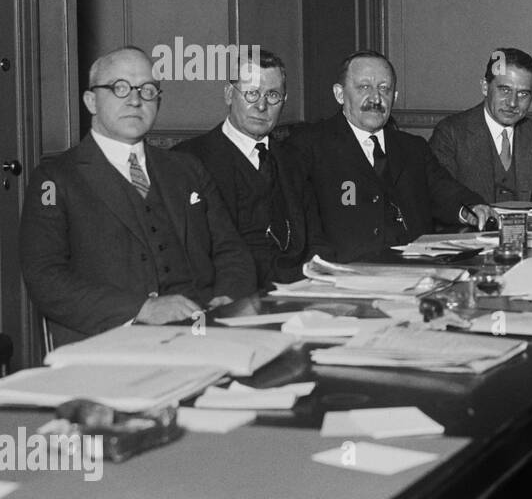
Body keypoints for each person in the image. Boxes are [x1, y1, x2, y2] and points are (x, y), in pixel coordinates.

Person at [20, 46, 256, 345]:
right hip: (110, 341)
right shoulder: (54, 180)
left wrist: (228, 298)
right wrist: (143, 309)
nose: (134, 100)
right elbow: (45, 278)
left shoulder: (187, 169)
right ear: (91, 101)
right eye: (119, 88)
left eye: (147, 90)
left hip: (202, 332)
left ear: (158, 100)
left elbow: (232, 250)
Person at [282, 52, 491, 264]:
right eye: (364, 87)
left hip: (418, 269)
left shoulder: (412, 147)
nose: (375, 98)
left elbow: (444, 191)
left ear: (395, 97)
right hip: (348, 273)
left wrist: (471, 208)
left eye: (384, 89)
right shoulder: (309, 146)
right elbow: (300, 224)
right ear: (339, 94)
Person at [172, 50, 306, 289]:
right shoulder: (188, 160)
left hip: (298, 287)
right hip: (230, 292)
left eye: (273, 95)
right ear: (228, 95)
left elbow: (313, 238)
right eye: (252, 93)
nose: (262, 105)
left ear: (284, 101)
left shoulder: (294, 159)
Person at [430, 48, 532, 209]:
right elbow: (441, 193)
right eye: (504, 90)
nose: (512, 103)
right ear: (485, 87)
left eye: (523, 94)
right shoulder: (451, 132)